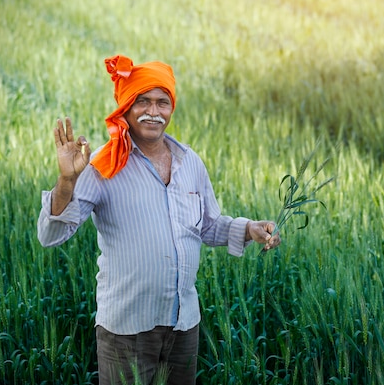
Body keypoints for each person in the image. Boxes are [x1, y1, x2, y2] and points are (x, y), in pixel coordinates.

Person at [37, 54, 281, 385]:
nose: (154, 111)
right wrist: (66, 180)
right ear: (126, 107)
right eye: (143, 102)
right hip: (127, 330)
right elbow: (52, 235)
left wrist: (249, 229)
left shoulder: (189, 162)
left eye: (162, 102)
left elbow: (207, 225)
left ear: (171, 108)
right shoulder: (103, 165)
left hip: (183, 326)